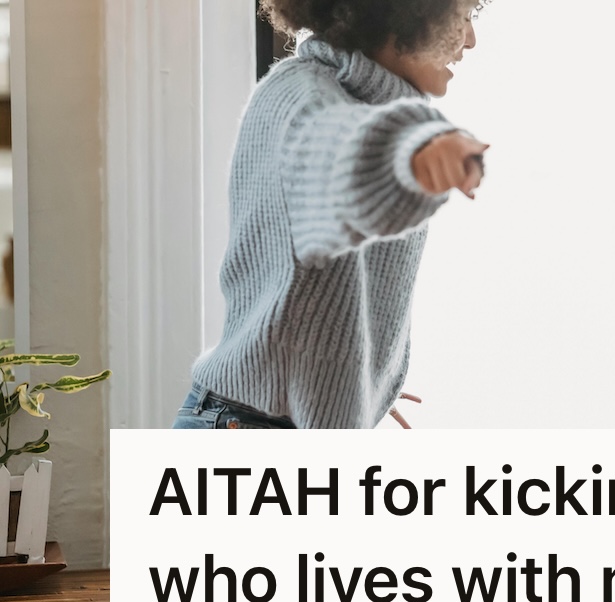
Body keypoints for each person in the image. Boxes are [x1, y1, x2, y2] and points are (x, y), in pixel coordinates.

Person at [174, 0, 489, 430]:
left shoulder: (366, 105)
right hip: (248, 429)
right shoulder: (300, 96)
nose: (470, 39)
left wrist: (359, 388)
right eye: (464, 15)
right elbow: (339, 153)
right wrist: (413, 155)